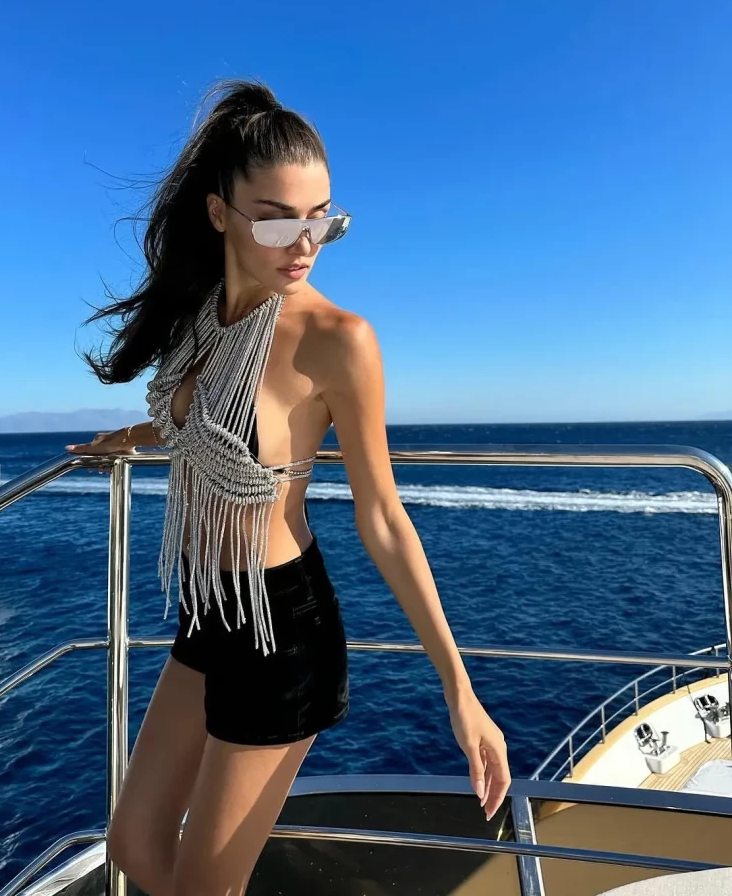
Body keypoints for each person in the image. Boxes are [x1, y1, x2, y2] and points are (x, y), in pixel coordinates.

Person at [66, 79, 510, 896]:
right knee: (133, 843)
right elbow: (202, 420)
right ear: (219, 214)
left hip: (281, 633)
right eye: (276, 220)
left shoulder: (338, 340)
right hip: (209, 611)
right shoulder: (205, 317)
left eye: (322, 219)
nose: (304, 243)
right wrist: (129, 438)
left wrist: (460, 687)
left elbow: (383, 517)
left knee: (205, 887)